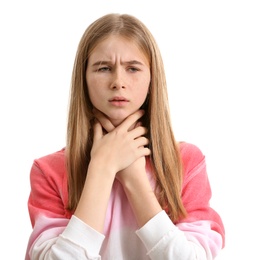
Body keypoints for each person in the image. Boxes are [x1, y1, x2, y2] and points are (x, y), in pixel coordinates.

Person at [25, 13, 225, 260]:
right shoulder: (50, 171)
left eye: (132, 68)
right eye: (104, 68)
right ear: (84, 79)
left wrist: (134, 180)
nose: (118, 82)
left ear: (152, 79)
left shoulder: (186, 163)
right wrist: (102, 167)